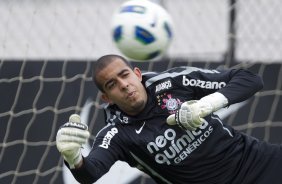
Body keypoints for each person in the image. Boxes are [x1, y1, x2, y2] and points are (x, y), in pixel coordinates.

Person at [56, 54, 282, 184]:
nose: (124, 85)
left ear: (136, 74)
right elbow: (90, 173)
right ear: (107, 98)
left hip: (257, 162)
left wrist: (205, 105)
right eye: (112, 84)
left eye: (124, 75)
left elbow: (249, 79)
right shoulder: (115, 134)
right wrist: (73, 156)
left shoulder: (174, 82)